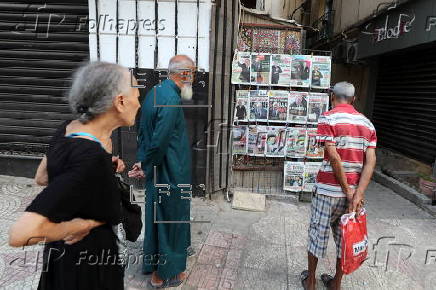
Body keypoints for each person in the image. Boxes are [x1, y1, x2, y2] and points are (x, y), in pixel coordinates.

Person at [9, 61, 141, 290]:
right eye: (137, 95)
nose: (139, 103)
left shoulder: (69, 128)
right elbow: (21, 233)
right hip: (85, 268)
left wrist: (96, 172)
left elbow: (42, 177)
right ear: (120, 101)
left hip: (60, 257)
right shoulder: (91, 157)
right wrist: (76, 227)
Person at [301, 82, 377, 290]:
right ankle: (336, 284)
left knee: (317, 236)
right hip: (353, 198)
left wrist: (347, 189)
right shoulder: (368, 124)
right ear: (354, 99)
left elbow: (333, 156)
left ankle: (310, 282)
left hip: (328, 192)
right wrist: (357, 194)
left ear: (332, 96)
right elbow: (371, 161)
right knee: (346, 240)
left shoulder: (328, 117)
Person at [128, 55, 194, 288]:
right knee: (171, 219)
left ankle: (156, 265)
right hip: (170, 172)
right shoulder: (170, 101)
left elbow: (146, 133)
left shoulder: (156, 92)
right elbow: (159, 141)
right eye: (192, 74)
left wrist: (143, 162)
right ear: (184, 75)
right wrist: (146, 165)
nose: (193, 79)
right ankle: (165, 273)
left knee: (159, 218)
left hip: (161, 168)